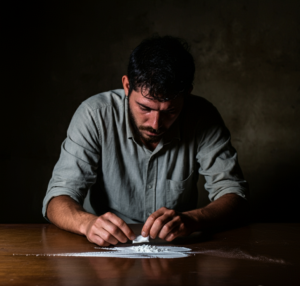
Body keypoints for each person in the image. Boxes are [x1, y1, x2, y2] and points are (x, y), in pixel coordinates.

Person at [43, 36, 249, 247]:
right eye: (145, 108)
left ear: (187, 95)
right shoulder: (94, 115)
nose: (156, 124)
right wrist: (87, 224)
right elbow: (57, 199)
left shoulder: (203, 117)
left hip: (177, 250)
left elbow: (234, 195)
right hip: (103, 250)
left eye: (170, 111)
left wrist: (193, 219)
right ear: (126, 85)